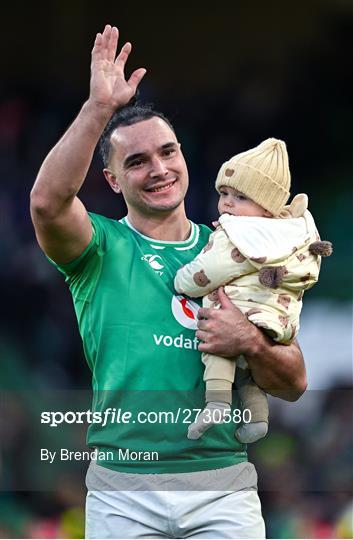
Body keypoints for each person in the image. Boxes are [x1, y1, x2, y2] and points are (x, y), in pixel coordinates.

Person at [30, 24, 308, 539]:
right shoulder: (99, 247)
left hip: (222, 490)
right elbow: (48, 203)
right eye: (136, 161)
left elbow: (293, 381)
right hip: (123, 493)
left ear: (183, 155)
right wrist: (97, 109)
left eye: (168, 151)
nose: (159, 169)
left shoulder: (240, 249)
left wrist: (248, 339)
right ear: (112, 181)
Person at [175, 138, 332, 443]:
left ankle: (217, 403)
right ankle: (258, 417)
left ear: (268, 207)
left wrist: (182, 282)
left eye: (241, 197)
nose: (228, 203)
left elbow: (210, 271)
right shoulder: (288, 234)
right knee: (247, 372)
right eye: (224, 193)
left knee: (220, 342)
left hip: (247, 312)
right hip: (277, 322)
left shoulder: (240, 236)